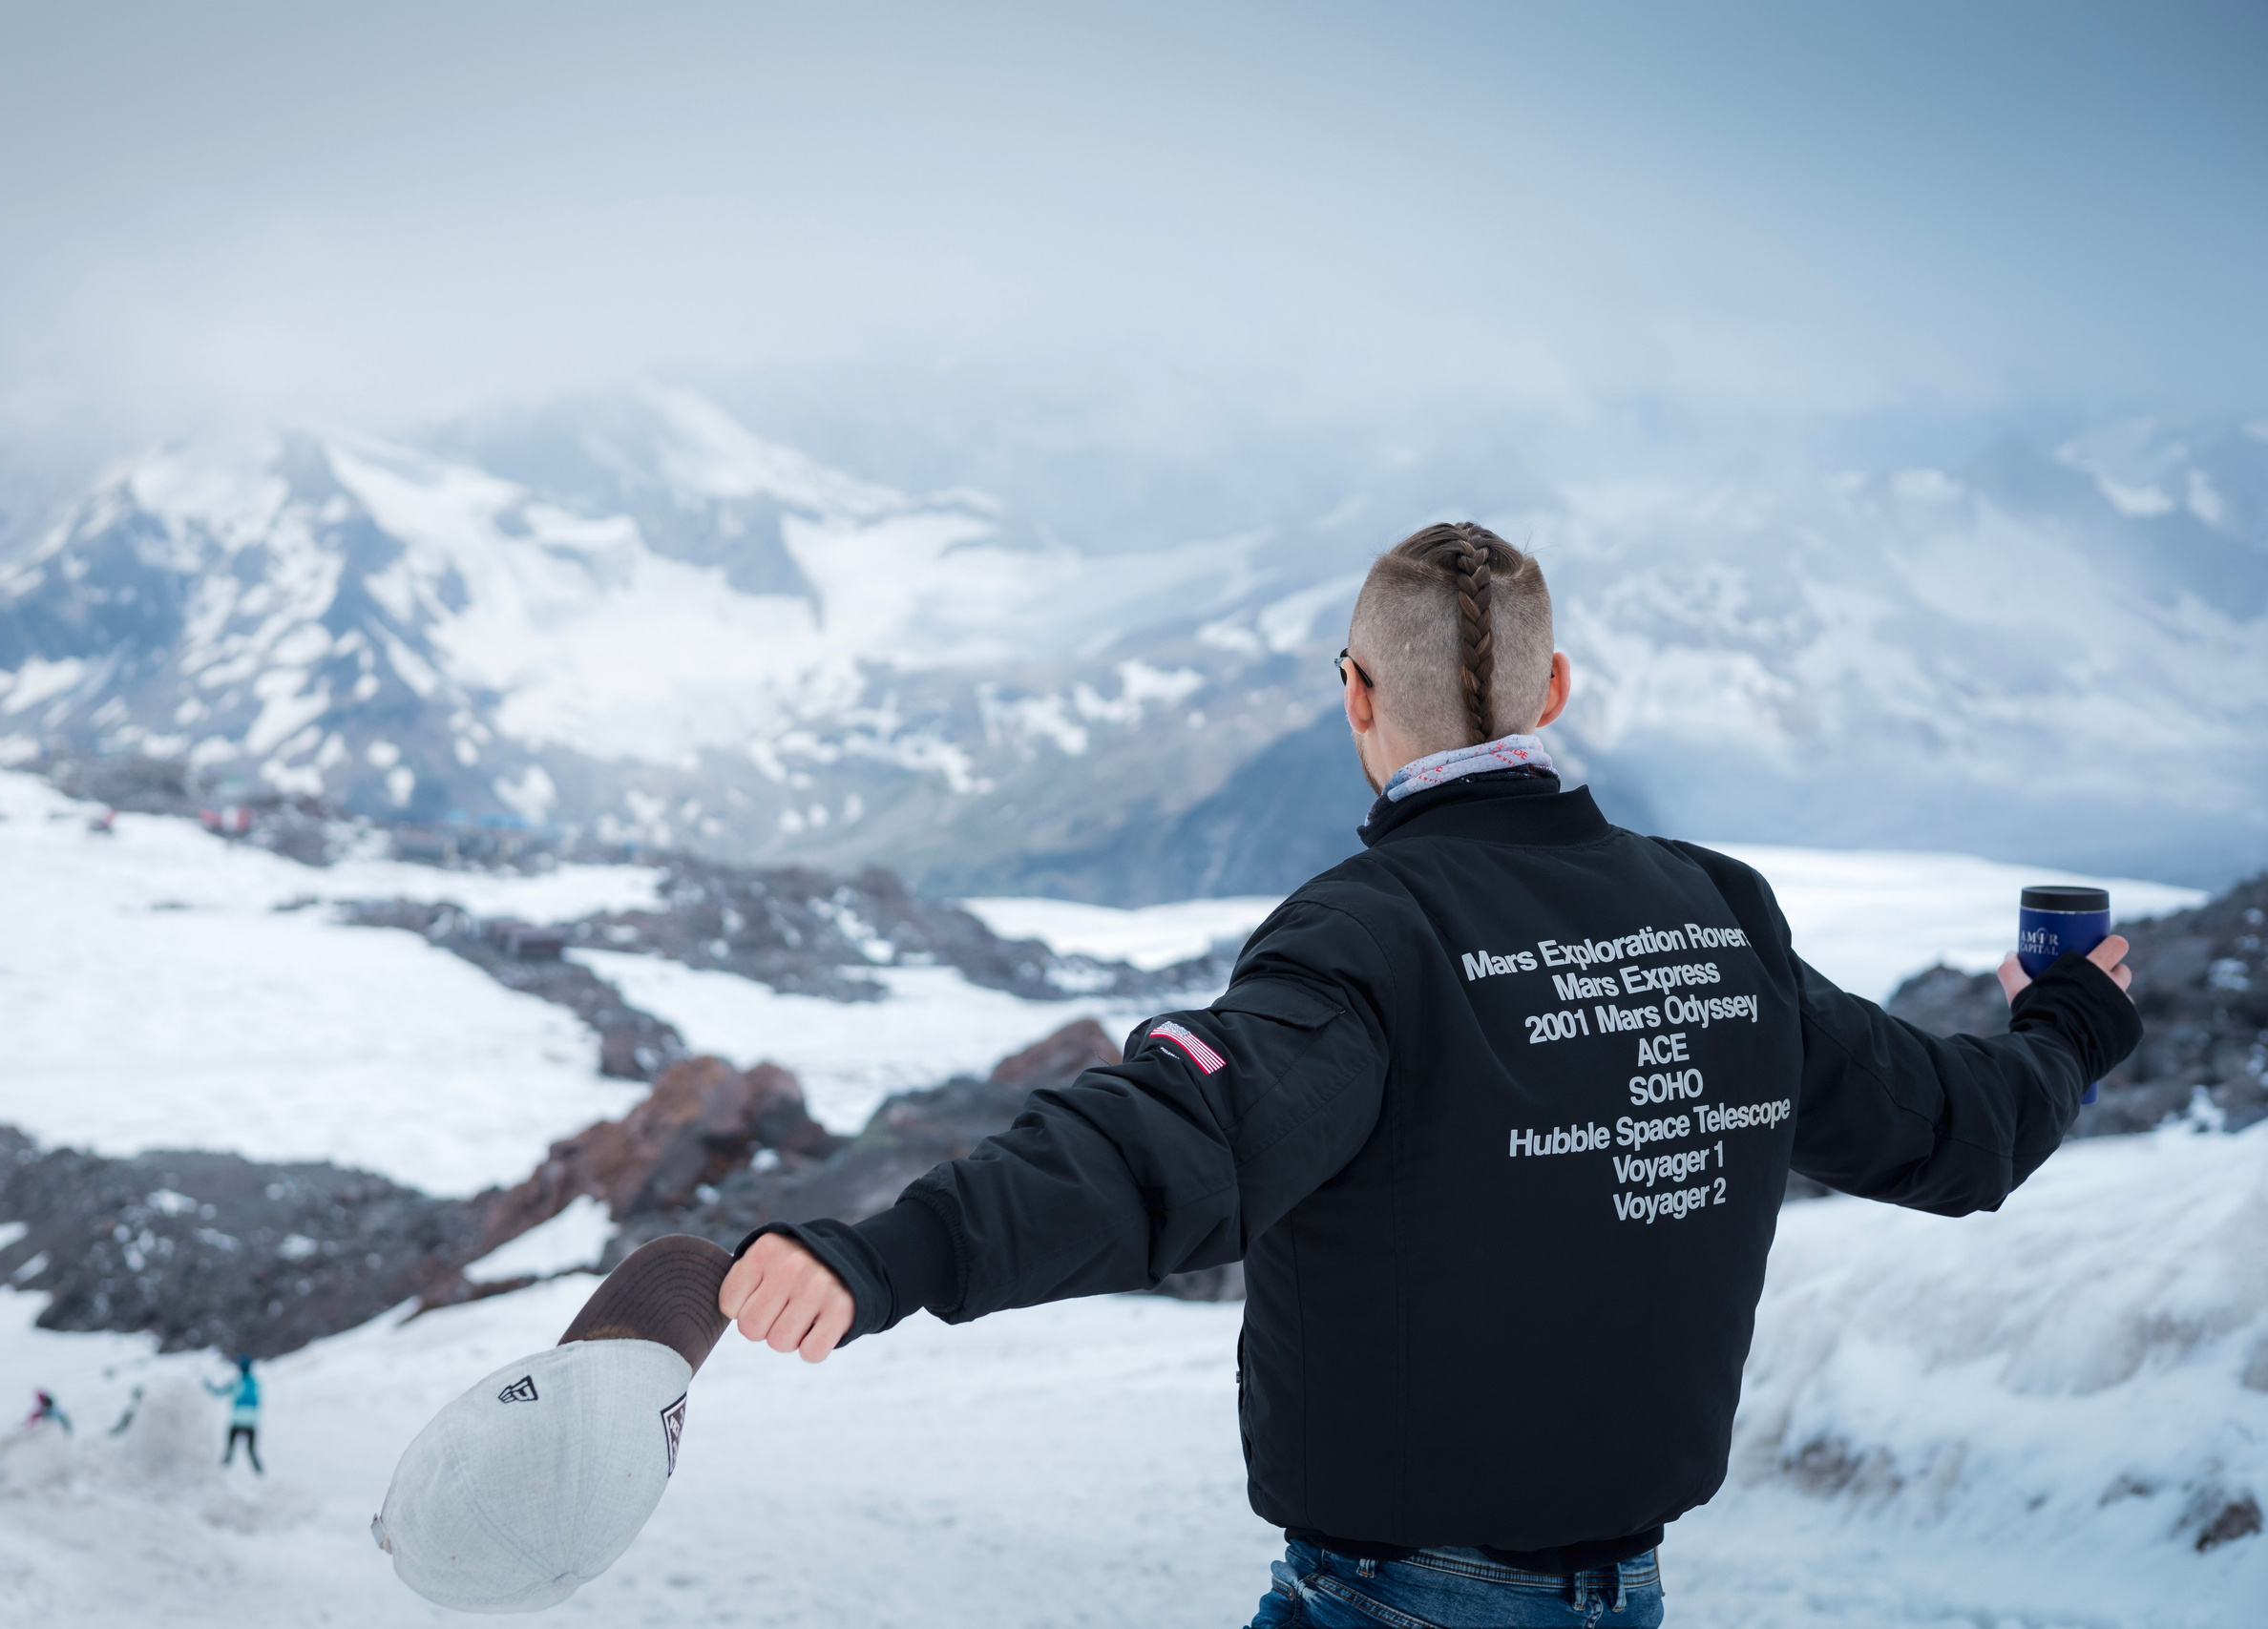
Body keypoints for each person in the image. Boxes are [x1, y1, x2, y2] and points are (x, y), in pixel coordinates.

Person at [715, 522, 2143, 1629]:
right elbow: (1957, 1132)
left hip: (1391, 1595)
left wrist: (886, 1254)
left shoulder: (1375, 932)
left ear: (1355, 694)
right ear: (1556, 690)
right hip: (1624, 1591)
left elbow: (1180, 1134)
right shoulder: (1717, 911)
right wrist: (2068, 1023)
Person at [207, 1355, 262, 1473]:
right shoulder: (255, 1383)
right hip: (251, 1421)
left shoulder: (236, 1382)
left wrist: (208, 1385)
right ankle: (259, 1471)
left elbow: (218, 1392)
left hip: (237, 1420)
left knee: (230, 1448)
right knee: (251, 1450)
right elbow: (258, 1402)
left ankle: (222, 1469)